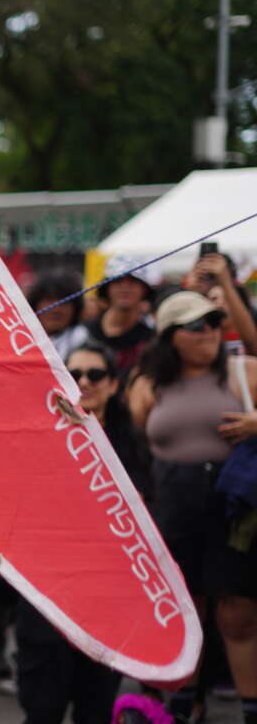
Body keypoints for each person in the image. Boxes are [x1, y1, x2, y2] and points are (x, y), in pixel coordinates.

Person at [128, 291, 257, 724]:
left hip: (234, 504)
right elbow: (130, 445)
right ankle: (182, 709)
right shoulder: (147, 383)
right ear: (169, 336)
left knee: (237, 612)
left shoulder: (243, 371)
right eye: (197, 326)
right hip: (174, 502)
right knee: (187, 610)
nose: (210, 333)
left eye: (215, 324)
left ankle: (249, 710)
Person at [15, 345, 133, 724]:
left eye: (95, 375)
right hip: (48, 600)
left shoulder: (133, 445)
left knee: (96, 710)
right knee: (42, 709)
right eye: (74, 374)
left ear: (113, 385)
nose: (84, 382)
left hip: (108, 605)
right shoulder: (32, 439)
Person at [86, 254, 160, 382]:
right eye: (118, 281)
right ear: (107, 289)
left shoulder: (152, 338)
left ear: (144, 290)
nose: (125, 288)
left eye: (132, 282)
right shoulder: (85, 333)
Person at [189, 252, 257, 357]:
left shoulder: (249, 335)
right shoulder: (205, 339)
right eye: (214, 299)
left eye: (226, 299)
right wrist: (190, 290)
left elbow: (251, 341)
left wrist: (225, 282)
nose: (220, 303)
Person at [28, 270, 90, 360]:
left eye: (64, 302)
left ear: (75, 308)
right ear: (35, 305)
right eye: (49, 300)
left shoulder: (86, 345)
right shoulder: (16, 344)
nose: (56, 309)